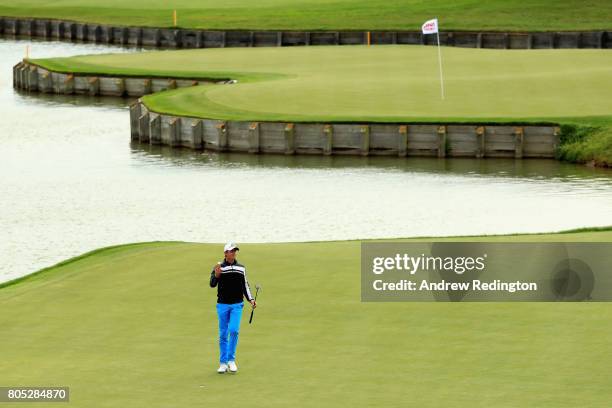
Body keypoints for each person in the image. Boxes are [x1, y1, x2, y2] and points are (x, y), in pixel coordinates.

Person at [209, 242, 256, 373]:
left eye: (235, 250)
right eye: (231, 251)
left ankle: (231, 360)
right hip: (222, 304)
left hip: (237, 304)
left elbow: (245, 285)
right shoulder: (219, 267)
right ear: (225, 253)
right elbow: (212, 284)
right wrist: (216, 275)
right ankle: (223, 363)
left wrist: (251, 299)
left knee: (234, 330)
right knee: (223, 334)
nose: (233, 252)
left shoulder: (241, 268)